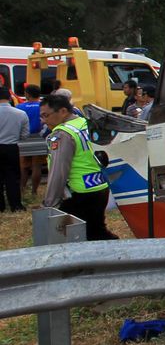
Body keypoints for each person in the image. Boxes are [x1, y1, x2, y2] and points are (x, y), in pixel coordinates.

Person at [40, 93, 117, 240]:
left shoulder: (62, 134)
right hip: (99, 186)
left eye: (46, 115)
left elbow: (59, 171)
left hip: (78, 193)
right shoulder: (83, 123)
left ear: (62, 111)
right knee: (96, 230)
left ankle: (122, 256)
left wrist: (50, 204)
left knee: (74, 236)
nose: (44, 121)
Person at [0, 87, 30, 212]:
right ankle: (16, 205)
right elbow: (25, 135)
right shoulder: (20, 113)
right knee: (12, 177)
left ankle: (0, 206)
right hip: (12, 148)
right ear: (9, 97)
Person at [17, 83, 45, 199]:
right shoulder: (43, 106)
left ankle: (22, 189)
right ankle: (34, 191)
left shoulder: (19, 107)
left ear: (27, 94)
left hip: (23, 138)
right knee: (37, 166)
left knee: (24, 167)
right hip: (40, 137)